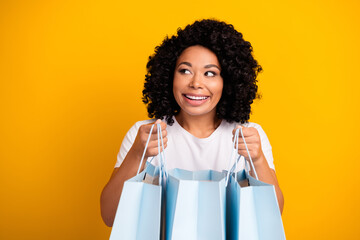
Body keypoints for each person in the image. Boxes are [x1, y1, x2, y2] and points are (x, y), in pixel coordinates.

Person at [100, 19, 284, 227]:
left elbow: (272, 216)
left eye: (210, 73)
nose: (196, 83)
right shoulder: (144, 134)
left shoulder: (249, 135)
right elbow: (109, 216)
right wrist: (136, 154)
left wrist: (257, 160)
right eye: (185, 71)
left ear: (229, 82)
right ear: (170, 76)